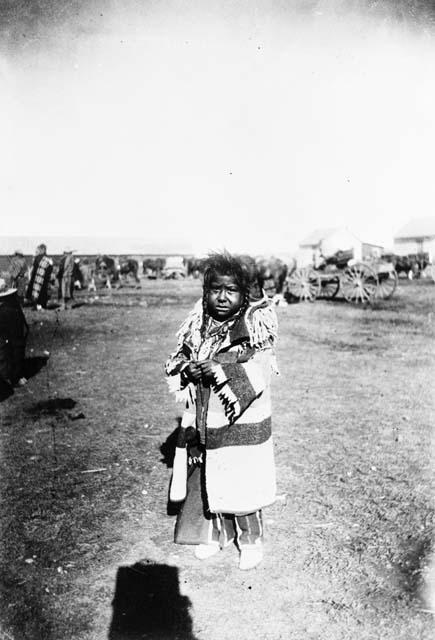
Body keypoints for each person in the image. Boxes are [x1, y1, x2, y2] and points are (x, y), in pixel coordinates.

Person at [165, 252, 278, 571]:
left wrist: (217, 368)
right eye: (215, 289)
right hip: (205, 414)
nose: (222, 296)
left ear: (243, 294)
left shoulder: (253, 323)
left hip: (239, 418)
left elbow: (261, 366)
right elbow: (177, 359)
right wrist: (188, 369)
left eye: (231, 290)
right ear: (205, 291)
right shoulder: (198, 322)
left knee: (241, 476)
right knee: (209, 476)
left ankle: (251, 540)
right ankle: (217, 534)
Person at [0, 278, 29, 399]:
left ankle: (12, 376)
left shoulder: (9, 309)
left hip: (9, 340)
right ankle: (11, 375)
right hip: (8, 340)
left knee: (11, 350)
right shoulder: (12, 306)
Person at [26, 244, 53, 310]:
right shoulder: (48, 259)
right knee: (43, 292)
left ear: (41, 250)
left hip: (36, 279)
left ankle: (37, 305)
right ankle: (42, 305)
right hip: (44, 279)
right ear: (44, 250)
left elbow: (34, 269)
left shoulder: (36, 258)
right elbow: (50, 269)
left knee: (36, 292)